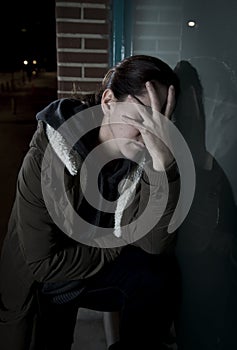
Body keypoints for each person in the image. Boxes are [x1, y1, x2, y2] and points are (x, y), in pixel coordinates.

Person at [0, 55, 180, 350]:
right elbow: (43, 265)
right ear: (109, 100)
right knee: (49, 335)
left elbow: (153, 245)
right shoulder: (47, 154)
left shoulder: (144, 158)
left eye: (160, 122)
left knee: (158, 276)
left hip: (90, 270)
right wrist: (118, 242)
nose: (149, 135)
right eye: (142, 117)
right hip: (46, 281)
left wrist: (163, 168)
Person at [173, 60, 237, 349]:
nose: (195, 108)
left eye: (198, 97)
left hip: (210, 257)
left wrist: (226, 234)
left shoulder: (213, 153)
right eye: (188, 99)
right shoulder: (170, 154)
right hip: (186, 259)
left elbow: (225, 204)